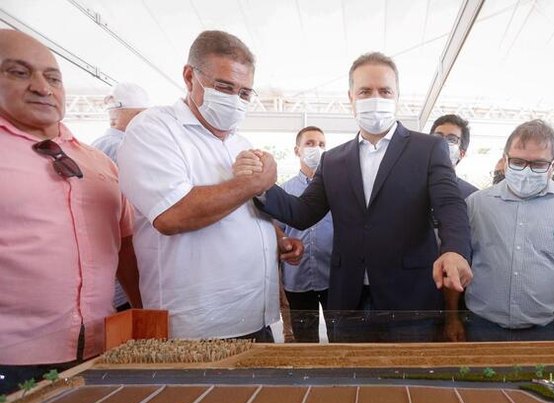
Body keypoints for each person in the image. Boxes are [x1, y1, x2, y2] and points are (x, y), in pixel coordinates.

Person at [249, 51, 472, 316]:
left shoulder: (428, 148)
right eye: (365, 91)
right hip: (348, 297)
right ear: (351, 98)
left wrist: (455, 250)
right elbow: (303, 212)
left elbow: (450, 205)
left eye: (384, 91)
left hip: (409, 294)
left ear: (397, 96)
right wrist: (261, 185)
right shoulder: (333, 160)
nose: (375, 99)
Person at [117, 30, 297, 340]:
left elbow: (241, 208)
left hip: (255, 316)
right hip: (194, 327)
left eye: (244, 93)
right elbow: (173, 214)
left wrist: (276, 238)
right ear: (190, 77)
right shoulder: (155, 129)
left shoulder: (239, 141)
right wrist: (256, 182)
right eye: (224, 87)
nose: (235, 100)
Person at [0, 30, 141, 394]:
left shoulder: (98, 162)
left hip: (101, 349)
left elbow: (125, 247)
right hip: (11, 360)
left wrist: (142, 317)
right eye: (18, 72)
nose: (42, 88)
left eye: (53, 78)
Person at [446, 120, 554, 342]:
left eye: (538, 164)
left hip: (547, 332)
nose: (526, 171)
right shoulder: (476, 205)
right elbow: (456, 265)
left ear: (553, 165)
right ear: (505, 159)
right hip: (482, 328)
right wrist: (451, 318)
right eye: (518, 162)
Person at [92, 82, 151, 311]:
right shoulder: (123, 147)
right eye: (141, 115)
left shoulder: (96, 146)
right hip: (125, 266)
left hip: (108, 266)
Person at [278, 126, 333, 342]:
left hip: (331, 278)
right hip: (297, 279)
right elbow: (277, 231)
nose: (316, 148)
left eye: (321, 144)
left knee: (339, 338)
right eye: (310, 143)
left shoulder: (337, 190)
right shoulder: (284, 191)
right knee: (304, 341)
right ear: (297, 150)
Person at [429, 114, 477, 198]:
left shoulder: (471, 196)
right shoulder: (410, 183)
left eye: (452, 139)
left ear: (461, 154)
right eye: (437, 137)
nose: (442, 143)